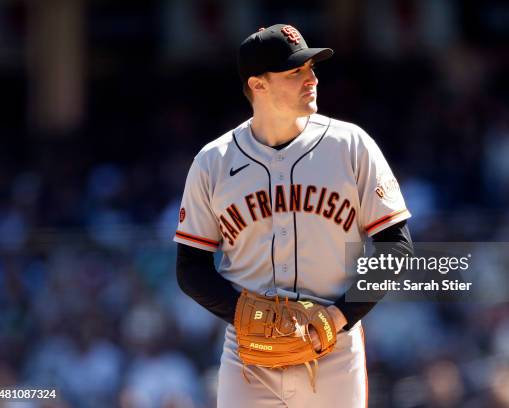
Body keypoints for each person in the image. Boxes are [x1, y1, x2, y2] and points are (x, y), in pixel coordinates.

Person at [175, 23, 413, 407]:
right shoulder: (213, 162)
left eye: (311, 68)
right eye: (295, 72)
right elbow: (190, 267)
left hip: (334, 350)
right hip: (248, 357)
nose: (312, 79)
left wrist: (338, 317)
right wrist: (247, 317)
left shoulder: (351, 146)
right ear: (258, 85)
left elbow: (397, 247)